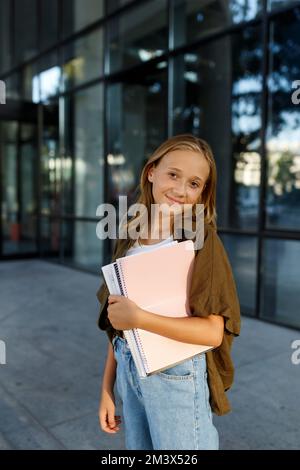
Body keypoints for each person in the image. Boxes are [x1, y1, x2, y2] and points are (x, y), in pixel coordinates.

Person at [97, 134, 241, 450]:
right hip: (129, 367)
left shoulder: (200, 241)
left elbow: (213, 332)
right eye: (173, 174)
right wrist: (107, 389)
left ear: (203, 192)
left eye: (194, 183)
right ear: (152, 172)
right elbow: (117, 319)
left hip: (175, 374)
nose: (180, 190)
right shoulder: (130, 234)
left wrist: (140, 318)